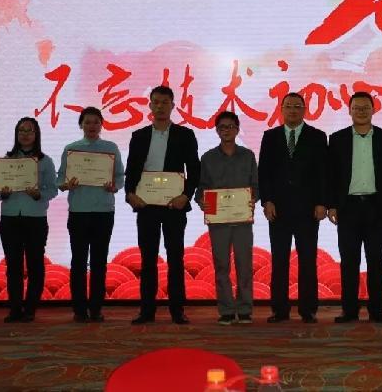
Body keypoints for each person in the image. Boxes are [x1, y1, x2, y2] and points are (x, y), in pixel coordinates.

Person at [125, 85, 200, 325]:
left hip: (173, 205)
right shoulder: (139, 136)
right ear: (150, 105)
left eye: (164, 102)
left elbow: (195, 170)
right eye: (155, 102)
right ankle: (147, 310)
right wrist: (130, 194)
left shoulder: (185, 135)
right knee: (148, 259)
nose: (159, 107)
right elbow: (131, 170)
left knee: (176, 258)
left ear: (172, 106)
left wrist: (185, 196)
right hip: (146, 205)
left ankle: (177, 310)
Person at [327, 92, 382, 324]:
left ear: (373, 110)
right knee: (349, 261)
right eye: (356, 107)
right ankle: (349, 310)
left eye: (365, 107)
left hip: (376, 206)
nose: (361, 111)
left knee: (376, 260)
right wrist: (331, 205)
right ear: (349, 110)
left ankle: (376, 310)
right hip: (347, 207)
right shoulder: (337, 139)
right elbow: (331, 175)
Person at [258, 92, 327, 324]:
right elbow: (264, 172)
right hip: (278, 209)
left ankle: (308, 309)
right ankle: (280, 309)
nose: (293, 110)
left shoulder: (317, 136)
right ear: (281, 109)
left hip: (308, 209)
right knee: (279, 260)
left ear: (304, 110)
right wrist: (267, 200)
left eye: (297, 106)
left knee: (307, 260)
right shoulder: (270, 136)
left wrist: (322, 202)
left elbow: (322, 173)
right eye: (288, 106)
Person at [58, 107, 124, 323]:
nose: (92, 126)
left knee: (99, 262)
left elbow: (120, 176)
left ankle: (96, 308)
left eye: (96, 122)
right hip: (78, 211)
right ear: (81, 125)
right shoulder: (71, 149)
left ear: (101, 124)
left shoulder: (110, 148)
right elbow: (60, 179)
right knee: (78, 261)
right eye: (87, 122)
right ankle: (79, 309)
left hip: (103, 211)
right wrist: (67, 184)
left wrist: (114, 186)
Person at [196, 111, 259, 325]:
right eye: (222, 127)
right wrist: (202, 201)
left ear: (237, 129)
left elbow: (256, 185)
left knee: (244, 265)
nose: (226, 130)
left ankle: (244, 309)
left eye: (230, 126)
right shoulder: (208, 158)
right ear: (217, 131)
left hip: (242, 220)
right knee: (221, 265)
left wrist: (252, 198)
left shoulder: (248, 156)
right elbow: (202, 187)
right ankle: (226, 310)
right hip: (219, 221)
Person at [0, 117, 58, 323]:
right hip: (10, 218)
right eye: (21, 130)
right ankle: (15, 309)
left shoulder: (45, 161)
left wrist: (39, 194)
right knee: (13, 265)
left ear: (36, 134)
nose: (25, 134)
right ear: (16, 134)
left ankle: (30, 308)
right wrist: (3, 193)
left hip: (35, 219)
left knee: (35, 265)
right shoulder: (6, 160)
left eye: (29, 131)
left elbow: (53, 190)